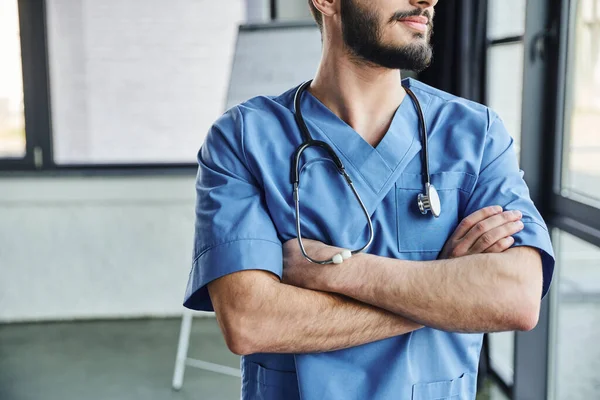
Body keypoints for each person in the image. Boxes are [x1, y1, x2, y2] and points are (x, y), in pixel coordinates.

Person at [183, 0, 555, 398]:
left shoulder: (475, 133)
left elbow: (516, 298)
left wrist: (337, 272)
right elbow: (250, 321)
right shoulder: (243, 139)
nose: (427, 0)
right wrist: (446, 292)